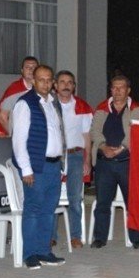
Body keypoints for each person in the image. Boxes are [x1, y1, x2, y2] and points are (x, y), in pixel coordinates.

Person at [12, 65, 66, 270]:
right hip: (36, 166)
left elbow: (58, 134)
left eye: (48, 79)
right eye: (40, 79)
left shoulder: (53, 103)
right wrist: (26, 169)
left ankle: (44, 251)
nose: (45, 83)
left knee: (48, 210)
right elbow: (19, 139)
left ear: (52, 82)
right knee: (33, 210)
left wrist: (62, 164)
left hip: (53, 165)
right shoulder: (25, 103)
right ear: (33, 81)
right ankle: (30, 254)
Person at [90, 75, 139, 249]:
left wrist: (121, 148)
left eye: (122, 87)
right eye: (114, 87)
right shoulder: (101, 108)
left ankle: (136, 239)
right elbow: (94, 131)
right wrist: (102, 146)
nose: (118, 91)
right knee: (102, 203)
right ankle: (100, 238)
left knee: (133, 203)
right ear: (110, 89)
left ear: (128, 90)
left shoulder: (136, 109)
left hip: (127, 162)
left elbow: (137, 131)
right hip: (104, 162)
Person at [52, 70, 93, 249]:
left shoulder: (82, 107)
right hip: (54, 156)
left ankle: (76, 236)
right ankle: (50, 235)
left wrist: (88, 159)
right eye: (62, 82)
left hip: (76, 156)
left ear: (74, 86)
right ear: (55, 85)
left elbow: (86, 135)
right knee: (51, 197)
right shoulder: (48, 106)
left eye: (70, 82)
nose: (66, 85)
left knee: (75, 198)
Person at [0, 56, 38, 135]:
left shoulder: (42, 89)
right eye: (27, 67)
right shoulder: (14, 89)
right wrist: (13, 135)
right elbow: (2, 117)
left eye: (34, 67)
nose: (31, 70)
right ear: (22, 71)